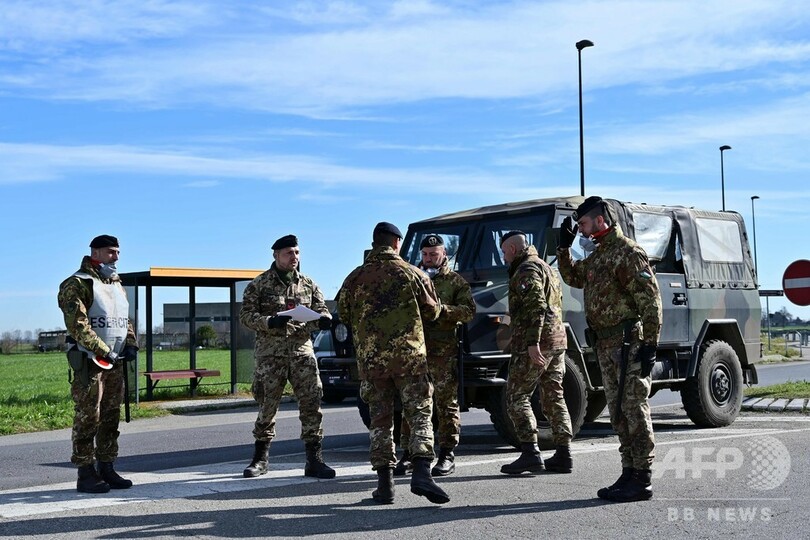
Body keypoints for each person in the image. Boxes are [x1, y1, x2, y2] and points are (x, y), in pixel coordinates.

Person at [557, 196, 662, 502]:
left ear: (600, 220)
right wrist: (564, 249)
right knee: (617, 411)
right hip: (606, 345)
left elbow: (650, 302)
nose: (581, 230)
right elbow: (574, 276)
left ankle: (642, 478)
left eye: (584, 224)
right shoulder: (600, 253)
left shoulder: (627, 252)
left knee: (634, 409)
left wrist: (650, 346)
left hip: (629, 344)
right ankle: (628, 472)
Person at [338, 222, 449, 505]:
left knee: (380, 421)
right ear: (397, 243)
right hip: (410, 360)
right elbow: (433, 311)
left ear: (375, 243)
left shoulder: (354, 278)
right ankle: (422, 472)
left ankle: (385, 485)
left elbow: (344, 314)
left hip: (373, 363)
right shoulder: (414, 274)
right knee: (420, 414)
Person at [239, 234, 335, 480]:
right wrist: (270, 321)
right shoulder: (259, 285)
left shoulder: (309, 284)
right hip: (271, 355)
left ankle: (314, 459)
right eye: (289, 253)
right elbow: (246, 317)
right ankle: (260, 459)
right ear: (276, 255)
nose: (294, 257)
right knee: (267, 406)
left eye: (297, 252)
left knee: (312, 404)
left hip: (302, 352)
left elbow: (321, 310)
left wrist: (323, 320)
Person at [57, 235, 138, 493]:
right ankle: (85, 472)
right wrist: (103, 350)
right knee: (88, 416)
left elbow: (123, 319)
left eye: (118, 252)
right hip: (89, 361)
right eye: (111, 252)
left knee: (111, 416)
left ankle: (107, 466)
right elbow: (78, 324)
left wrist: (132, 344)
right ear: (96, 252)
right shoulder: (77, 283)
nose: (116, 257)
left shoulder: (117, 285)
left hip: (115, 362)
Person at [394, 234, 475, 477]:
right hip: (416, 353)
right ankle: (410, 453)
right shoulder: (413, 278)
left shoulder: (455, 282)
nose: (428, 259)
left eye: (433, 254)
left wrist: (441, 311)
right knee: (413, 404)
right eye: (425, 255)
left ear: (443, 255)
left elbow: (469, 311)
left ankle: (447, 454)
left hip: (443, 353)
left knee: (445, 404)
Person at [499, 230, 574, 475]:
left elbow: (536, 307)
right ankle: (564, 454)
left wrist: (532, 343)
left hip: (537, 343)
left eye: (503, 252)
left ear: (511, 249)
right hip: (557, 340)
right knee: (554, 396)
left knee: (516, 396)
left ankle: (530, 452)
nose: (504, 257)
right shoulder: (547, 267)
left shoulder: (526, 270)